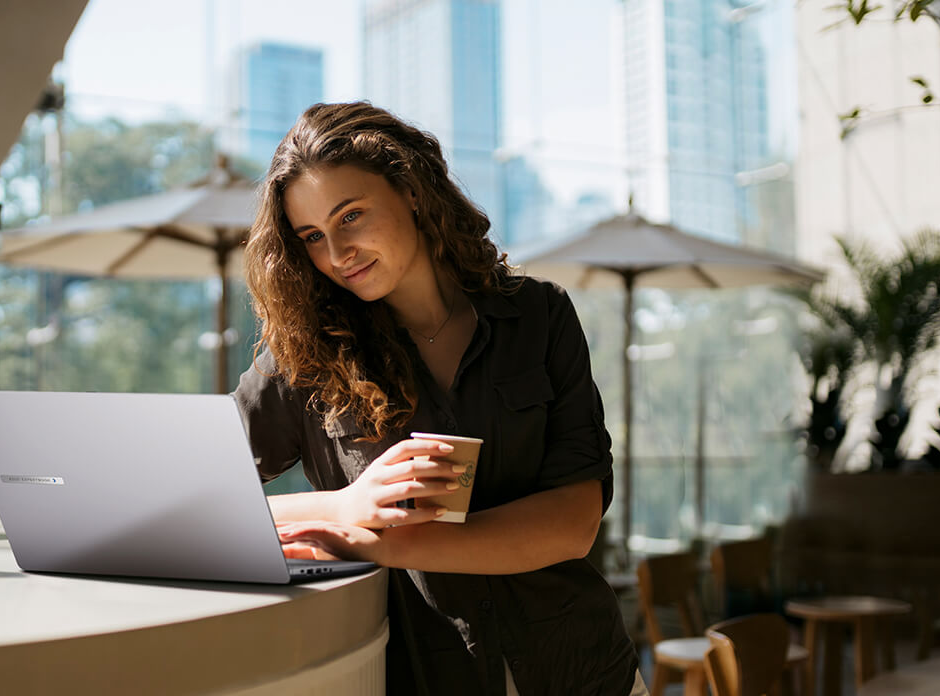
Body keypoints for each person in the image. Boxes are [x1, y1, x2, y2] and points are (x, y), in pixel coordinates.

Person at [234, 101, 643, 696]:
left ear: (412, 191)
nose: (337, 254)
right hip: (425, 676)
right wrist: (343, 509)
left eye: (351, 216)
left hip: (582, 668)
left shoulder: (538, 315)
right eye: (313, 237)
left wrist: (392, 541)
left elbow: (572, 523)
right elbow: (199, 499)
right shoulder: (305, 356)